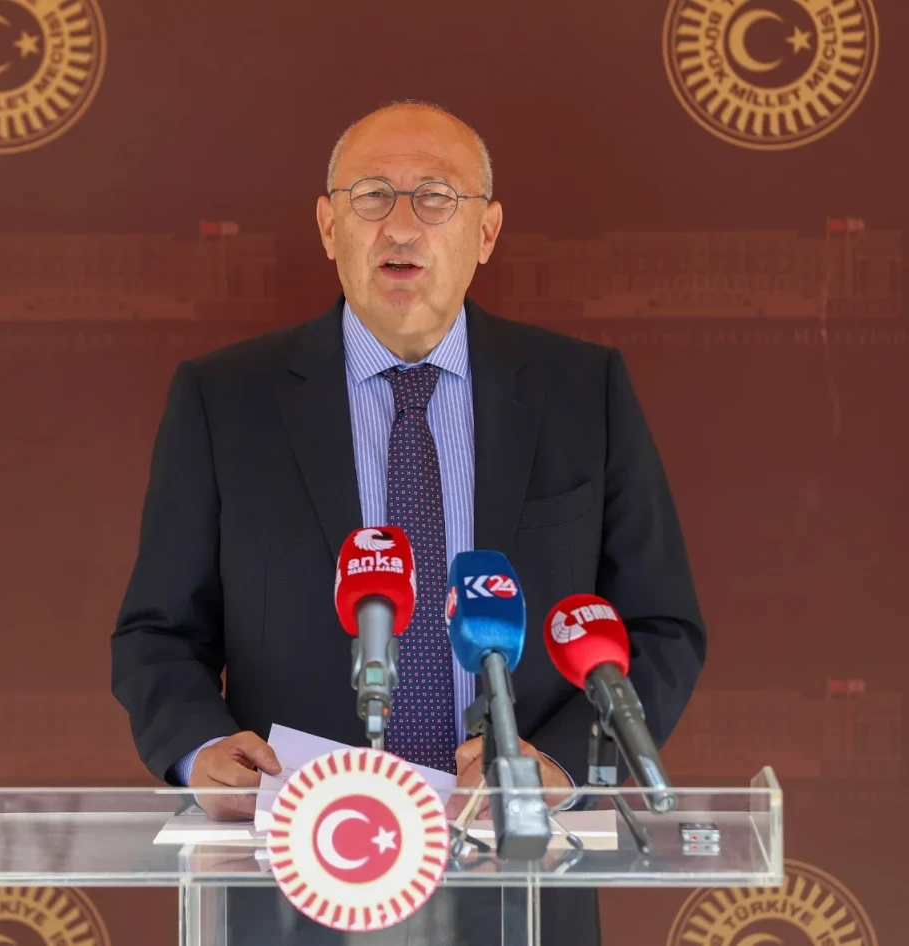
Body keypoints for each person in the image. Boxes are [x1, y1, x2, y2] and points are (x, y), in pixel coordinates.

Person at [111, 100, 706, 945]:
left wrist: (556, 766)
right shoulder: (224, 400)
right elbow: (157, 634)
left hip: (518, 872)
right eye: (371, 197)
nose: (400, 226)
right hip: (293, 876)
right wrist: (195, 748)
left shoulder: (582, 392)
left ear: (486, 232)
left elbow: (658, 627)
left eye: (435, 197)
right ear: (328, 226)